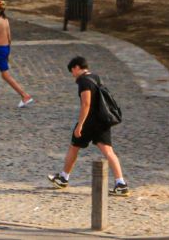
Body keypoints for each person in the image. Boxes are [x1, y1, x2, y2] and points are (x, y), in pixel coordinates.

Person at [48, 56, 129, 196]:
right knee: (109, 152)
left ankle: (63, 178)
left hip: (89, 122)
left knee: (74, 147)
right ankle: (121, 183)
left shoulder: (84, 82)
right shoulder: (95, 77)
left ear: (77, 67)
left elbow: (86, 104)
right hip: (103, 121)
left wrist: (80, 125)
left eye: (72, 71)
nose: (73, 75)